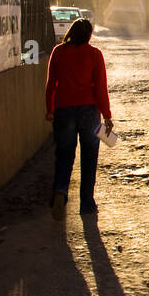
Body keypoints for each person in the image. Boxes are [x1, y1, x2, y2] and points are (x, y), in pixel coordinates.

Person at [44, 18, 113, 219]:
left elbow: (51, 84)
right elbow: (100, 88)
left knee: (64, 155)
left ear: (70, 32)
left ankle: (60, 190)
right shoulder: (94, 54)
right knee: (89, 156)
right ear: (89, 35)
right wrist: (107, 115)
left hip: (63, 110)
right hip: (89, 111)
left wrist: (50, 109)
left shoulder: (58, 52)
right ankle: (87, 203)